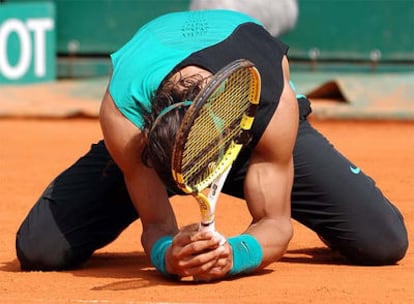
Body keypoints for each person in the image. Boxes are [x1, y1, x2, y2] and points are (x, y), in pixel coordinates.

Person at [16, 10, 408, 282]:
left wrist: (235, 255)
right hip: (161, 151)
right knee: (39, 249)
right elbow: (157, 226)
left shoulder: (270, 95)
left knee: (382, 241)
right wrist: (168, 255)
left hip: (249, 135)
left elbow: (274, 223)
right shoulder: (125, 115)